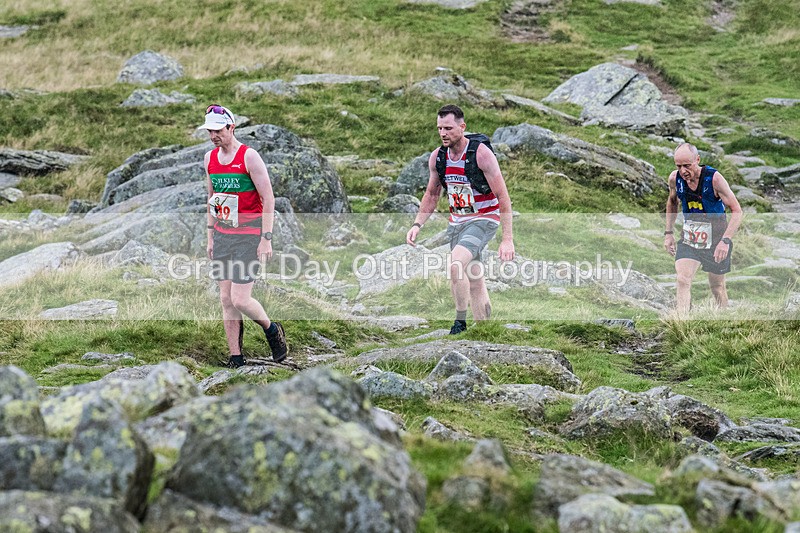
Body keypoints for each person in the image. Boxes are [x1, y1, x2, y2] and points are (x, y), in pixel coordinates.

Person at [406, 104, 515, 334]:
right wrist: (417, 224)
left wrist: (507, 239)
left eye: (448, 128)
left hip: (484, 219)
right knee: (474, 279)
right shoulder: (438, 158)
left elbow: (503, 196)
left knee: (456, 264)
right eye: (439, 128)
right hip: (457, 223)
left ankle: (459, 322)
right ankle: (483, 331)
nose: (443, 133)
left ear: (462, 127)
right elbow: (432, 194)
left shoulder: (481, 154)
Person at [202, 104, 287, 367]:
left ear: (231, 127)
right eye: (210, 130)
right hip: (223, 234)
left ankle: (272, 330)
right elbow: (211, 198)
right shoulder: (209, 159)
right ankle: (235, 358)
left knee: (240, 299)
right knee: (226, 300)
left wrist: (266, 238)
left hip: (249, 235)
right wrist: (210, 236)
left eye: (218, 130)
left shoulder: (249, 157)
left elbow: (268, 198)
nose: (214, 135)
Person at [664, 142, 742, 314]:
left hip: (716, 240)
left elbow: (737, 211)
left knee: (717, 287)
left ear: (697, 159)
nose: (683, 171)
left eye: (687, 165)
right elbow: (672, 202)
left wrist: (725, 241)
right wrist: (668, 233)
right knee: (683, 279)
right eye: (679, 166)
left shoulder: (714, 179)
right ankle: (682, 321)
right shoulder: (675, 178)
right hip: (690, 239)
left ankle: (724, 317)